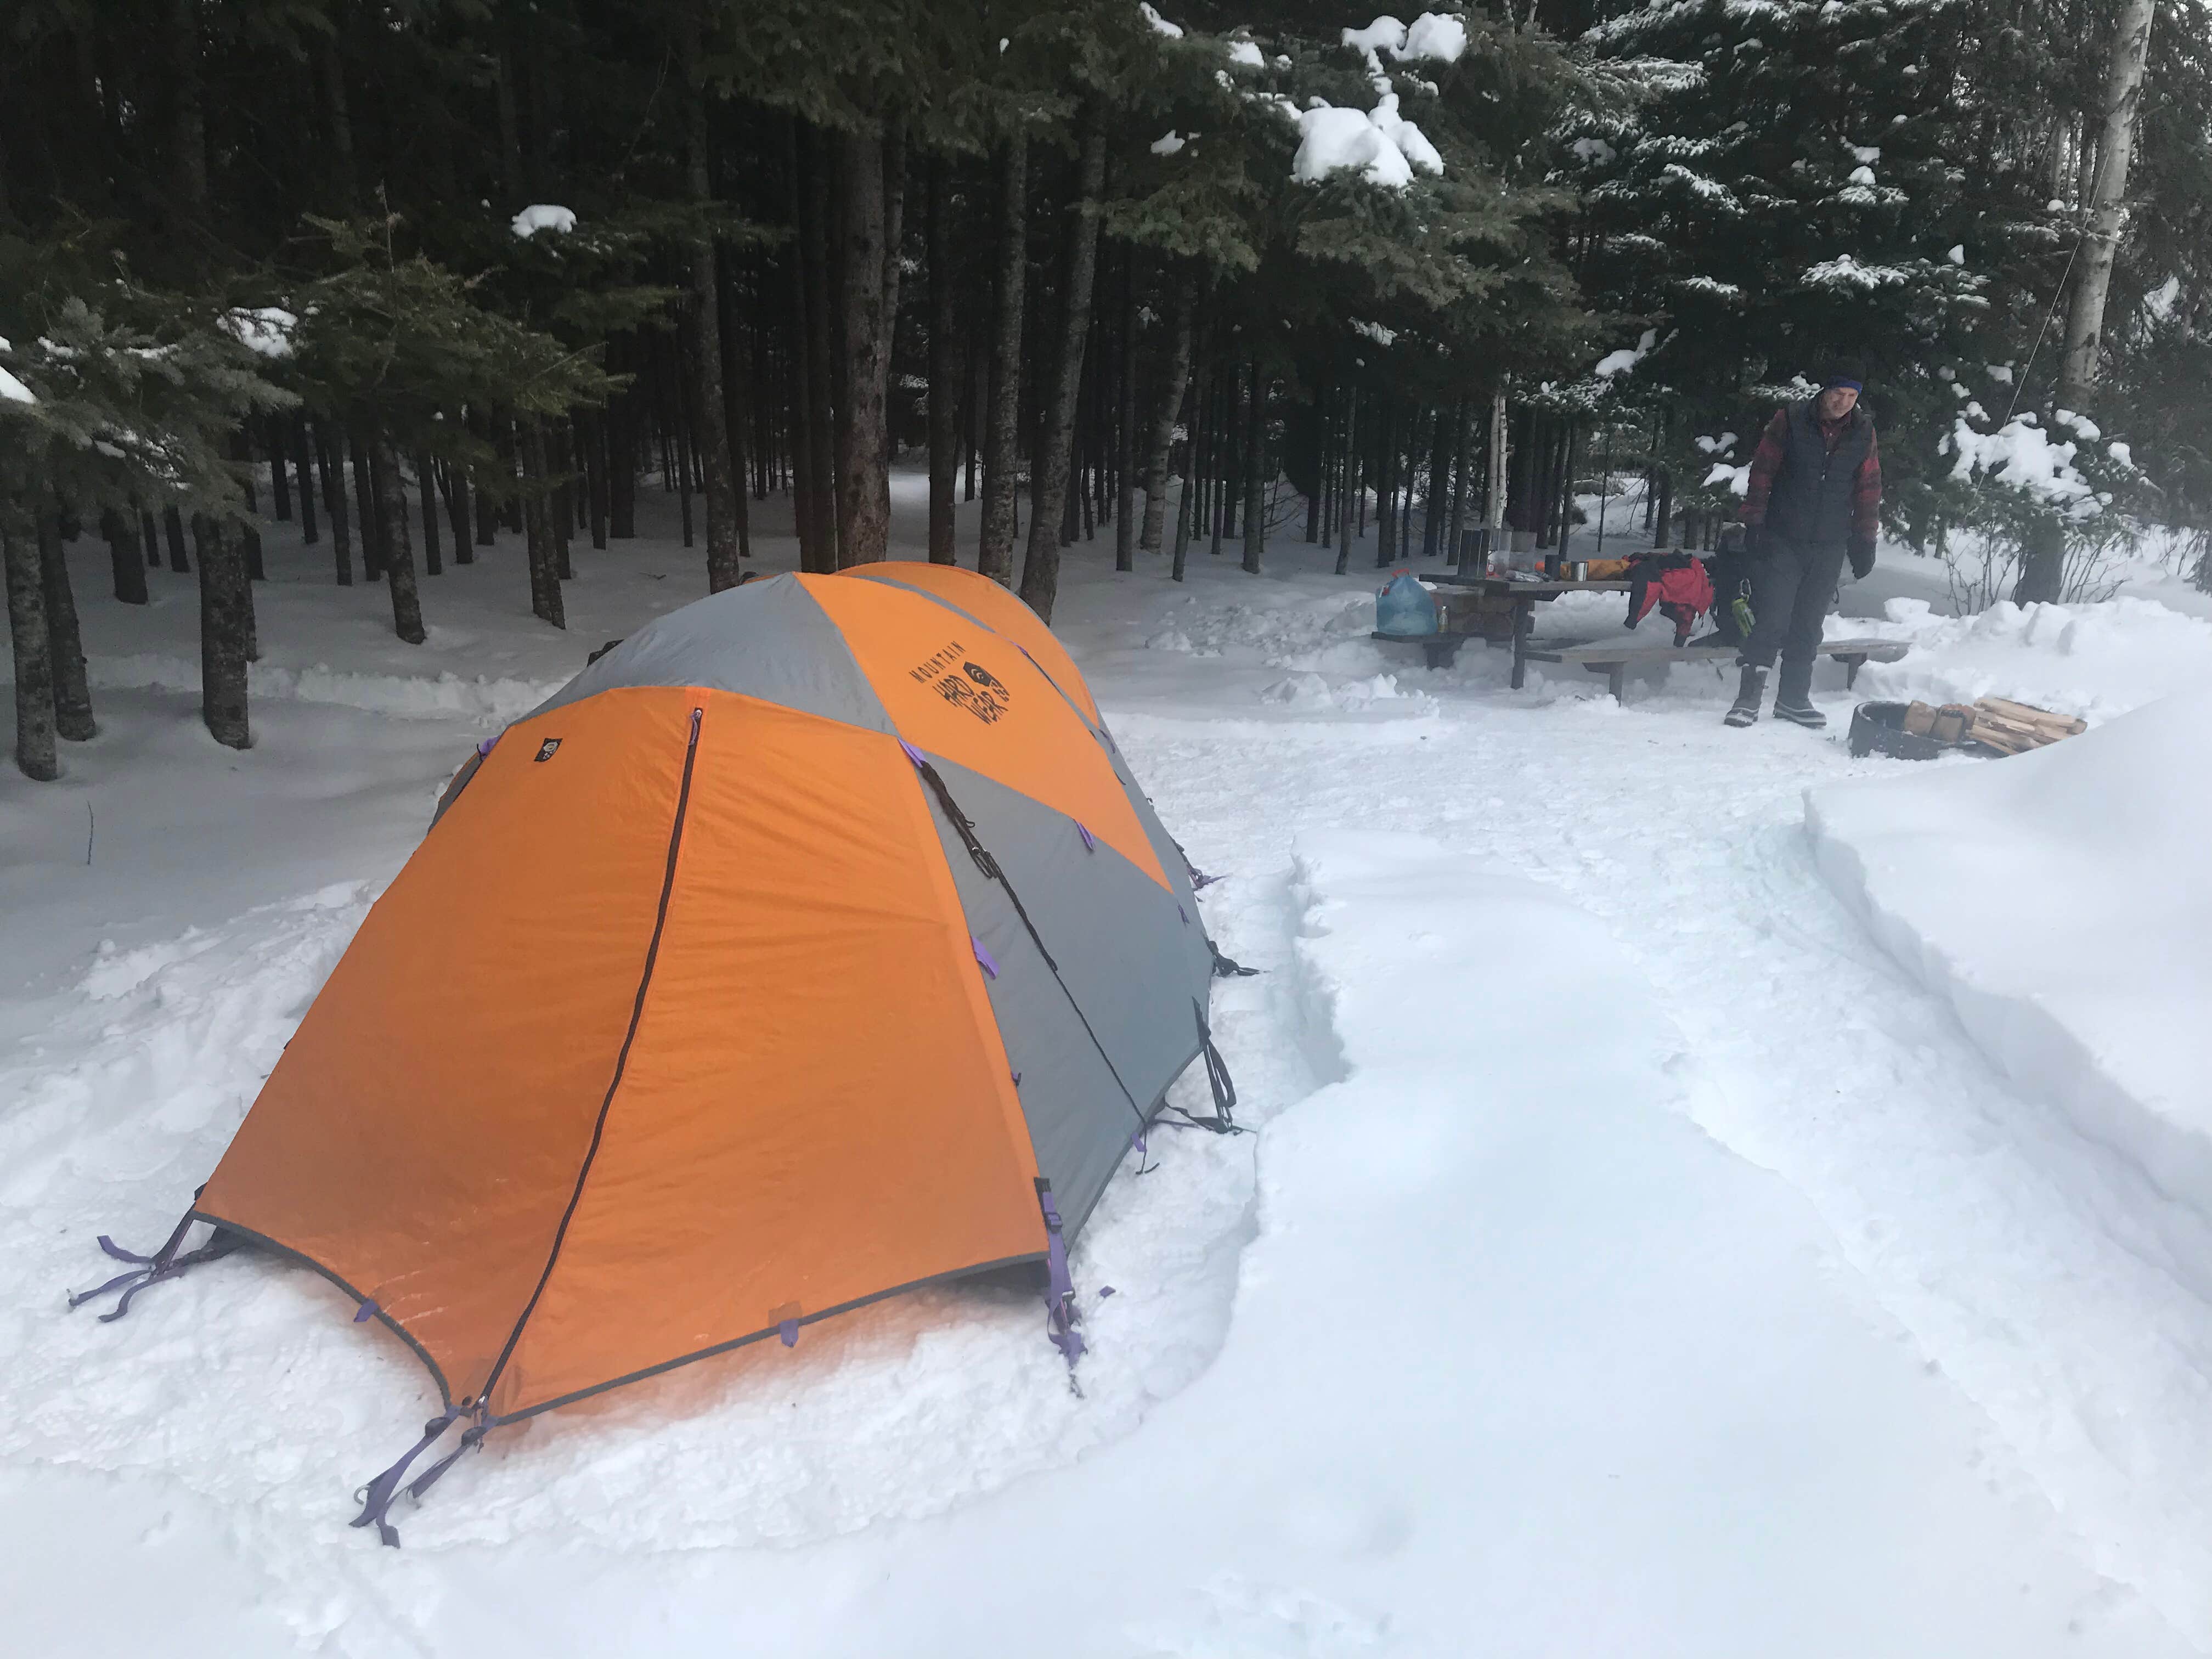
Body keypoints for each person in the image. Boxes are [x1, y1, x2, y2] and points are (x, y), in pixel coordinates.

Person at [1725, 365, 1881, 728]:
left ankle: (1793, 699)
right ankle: (1748, 699)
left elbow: (1869, 488)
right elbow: (1762, 472)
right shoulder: (1791, 420)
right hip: (1783, 538)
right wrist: (1755, 523)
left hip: (1829, 545)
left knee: (1809, 625)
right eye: (1838, 393)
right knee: (1772, 619)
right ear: (1824, 391)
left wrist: (1865, 539)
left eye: (1852, 396)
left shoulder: (1863, 432)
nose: (1844, 402)